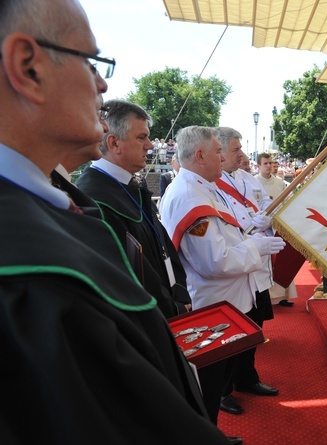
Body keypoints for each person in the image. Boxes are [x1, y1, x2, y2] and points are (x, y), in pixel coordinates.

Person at [0, 1, 233, 443]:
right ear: (28, 68)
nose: (103, 83)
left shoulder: (58, 205)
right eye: (90, 62)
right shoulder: (22, 269)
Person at [77, 100, 192, 319]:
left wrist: (179, 295)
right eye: (141, 137)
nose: (149, 145)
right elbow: (121, 279)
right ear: (114, 143)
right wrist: (170, 309)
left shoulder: (130, 186)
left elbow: (161, 247)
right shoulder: (94, 199)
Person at [213, 127, 282, 414]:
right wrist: (253, 222)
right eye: (235, 149)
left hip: (256, 265)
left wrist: (268, 218)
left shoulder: (246, 179)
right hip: (235, 269)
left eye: (240, 148)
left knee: (254, 326)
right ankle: (221, 391)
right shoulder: (211, 184)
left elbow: (267, 204)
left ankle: (246, 378)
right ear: (219, 152)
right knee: (231, 334)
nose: (242, 154)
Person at [255, 152, 297, 307]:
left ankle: (283, 296)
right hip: (262, 227)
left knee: (281, 260)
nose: (268, 166)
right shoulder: (254, 182)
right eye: (265, 163)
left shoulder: (279, 182)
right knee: (267, 262)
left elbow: (285, 202)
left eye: (270, 163)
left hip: (278, 224)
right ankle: (269, 296)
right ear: (258, 166)